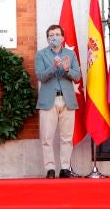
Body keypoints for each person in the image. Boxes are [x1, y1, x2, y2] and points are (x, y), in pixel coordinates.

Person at [35, 24, 81, 179]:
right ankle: (50, 168)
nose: (53, 37)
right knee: (47, 137)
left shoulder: (70, 54)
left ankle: (65, 168)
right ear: (47, 39)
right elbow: (40, 76)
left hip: (67, 99)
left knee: (66, 137)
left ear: (62, 37)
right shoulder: (41, 54)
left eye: (56, 34)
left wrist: (67, 69)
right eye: (50, 35)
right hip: (49, 100)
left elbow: (77, 76)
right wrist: (54, 68)